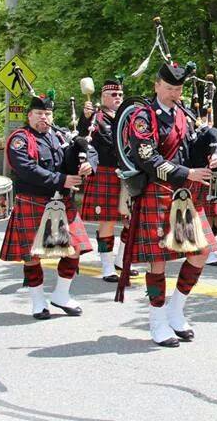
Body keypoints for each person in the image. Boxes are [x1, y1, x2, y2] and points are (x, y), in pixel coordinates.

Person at [123, 62, 217, 347]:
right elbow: (148, 159)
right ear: (156, 85)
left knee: (201, 252)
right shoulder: (142, 117)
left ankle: (176, 310)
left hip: (184, 195)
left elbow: (198, 143)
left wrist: (215, 151)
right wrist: (187, 173)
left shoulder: (184, 114)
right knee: (158, 262)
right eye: (168, 88)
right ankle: (157, 322)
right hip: (157, 190)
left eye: (177, 89)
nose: (173, 94)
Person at [0, 92, 97, 319]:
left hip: (62, 201)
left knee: (76, 248)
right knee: (32, 254)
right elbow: (25, 168)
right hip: (33, 200)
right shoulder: (20, 139)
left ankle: (61, 294)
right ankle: (37, 300)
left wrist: (88, 164)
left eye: (48, 114)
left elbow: (89, 149)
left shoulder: (61, 134)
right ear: (30, 115)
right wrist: (61, 180)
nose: (44, 118)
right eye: (39, 114)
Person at [78, 78, 135, 283]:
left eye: (120, 94)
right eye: (113, 94)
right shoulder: (96, 117)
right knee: (108, 221)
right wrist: (86, 118)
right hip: (106, 171)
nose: (118, 97)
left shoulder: (128, 117)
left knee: (131, 220)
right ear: (103, 97)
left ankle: (121, 260)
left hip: (128, 173)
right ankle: (107, 267)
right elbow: (84, 137)